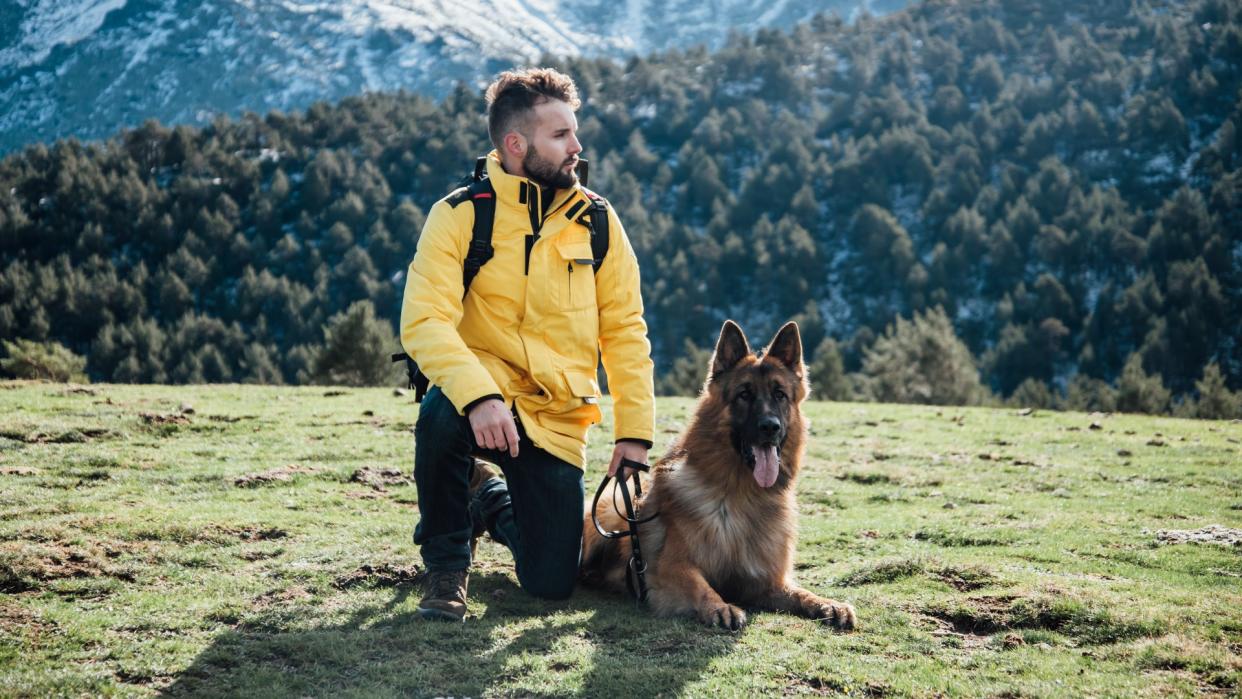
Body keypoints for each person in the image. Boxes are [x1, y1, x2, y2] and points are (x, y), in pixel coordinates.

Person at [400, 67, 655, 622]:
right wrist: (478, 396)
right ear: (516, 144)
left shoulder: (600, 224)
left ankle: (487, 498)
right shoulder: (459, 215)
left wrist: (634, 435)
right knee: (441, 416)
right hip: (482, 399)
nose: (577, 146)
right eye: (560, 135)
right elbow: (424, 323)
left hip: (556, 418)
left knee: (551, 584)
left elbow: (626, 332)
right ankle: (447, 569)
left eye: (575, 132)